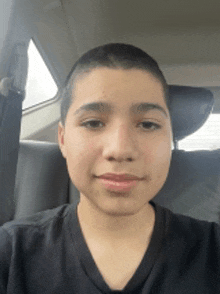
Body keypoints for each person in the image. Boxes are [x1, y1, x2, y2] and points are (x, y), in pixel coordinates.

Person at [0, 43, 219, 293]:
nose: (120, 150)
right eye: (93, 123)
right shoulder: (11, 251)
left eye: (148, 125)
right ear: (62, 139)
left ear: (169, 138)